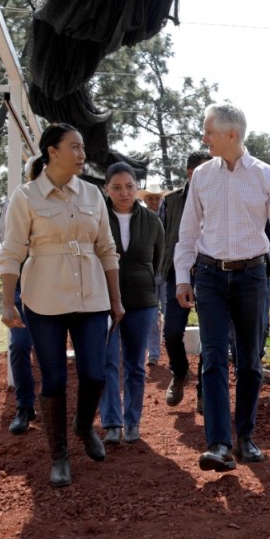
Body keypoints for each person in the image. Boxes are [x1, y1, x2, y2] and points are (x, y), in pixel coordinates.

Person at [0, 123, 124, 488]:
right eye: (75, 147)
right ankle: (59, 456)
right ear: (52, 152)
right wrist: (8, 303)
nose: (82, 154)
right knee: (52, 379)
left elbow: (107, 249)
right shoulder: (26, 197)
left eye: (82, 148)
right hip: (44, 300)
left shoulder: (92, 194)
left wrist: (116, 300)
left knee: (95, 375)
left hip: (92, 299)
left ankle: (84, 427)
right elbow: (11, 253)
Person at [174, 102, 270, 472]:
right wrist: (183, 275)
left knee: (249, 362)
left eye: (208, 131)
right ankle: (219, 445)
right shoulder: (202, 177)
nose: (203, 137)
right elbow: (188, 232)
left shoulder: (267, 176)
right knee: (212, 359)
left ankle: (245, 437)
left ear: (231, 134)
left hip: (252, 277)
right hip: (209, 276)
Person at [99, 163, 165, 444]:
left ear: (137, 188)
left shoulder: (152, 221)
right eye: (116, 187)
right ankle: (112, 422)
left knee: (135, 364)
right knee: (107, 362)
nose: (124, 192)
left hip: (141, 300)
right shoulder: (96, 218)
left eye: (129, 186)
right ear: (106, 189)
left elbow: (159, 259)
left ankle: (132, 420)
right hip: (102, 300)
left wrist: (146, 283)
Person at [161, 151, 211, 412]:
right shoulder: (170, 202)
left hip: (209, 273)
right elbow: (163, 237)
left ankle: (204, 390)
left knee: (211, 335)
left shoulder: (219, 198)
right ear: (190, 174)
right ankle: (180, 373)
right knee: (170, 332)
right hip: (175, 274)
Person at [0, 187, 38, 435]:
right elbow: (9, 252)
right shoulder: (15, 203)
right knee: (20, 345)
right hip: (22, 291)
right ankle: (24, 406)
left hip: (54, 291)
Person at [138, 183, 170, 366]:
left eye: (157, 198)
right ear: (145, 200)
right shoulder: (140, 219)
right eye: (150, 198)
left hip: (165, 271)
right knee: (151, 314)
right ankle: (154, 353)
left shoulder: (168, 217)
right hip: (148, 272)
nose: (154, 201)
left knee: (169, 312)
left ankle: (171, 350)